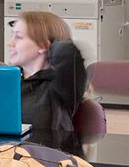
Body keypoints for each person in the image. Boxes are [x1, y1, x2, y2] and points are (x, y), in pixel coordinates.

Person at [8, 10, 88, 152]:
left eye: (18, 37)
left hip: (44, 159)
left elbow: (68, 53)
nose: (10, 43)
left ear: (43, 46)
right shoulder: (9, 81)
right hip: (2, 156)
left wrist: (51, 43)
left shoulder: (61, 85)